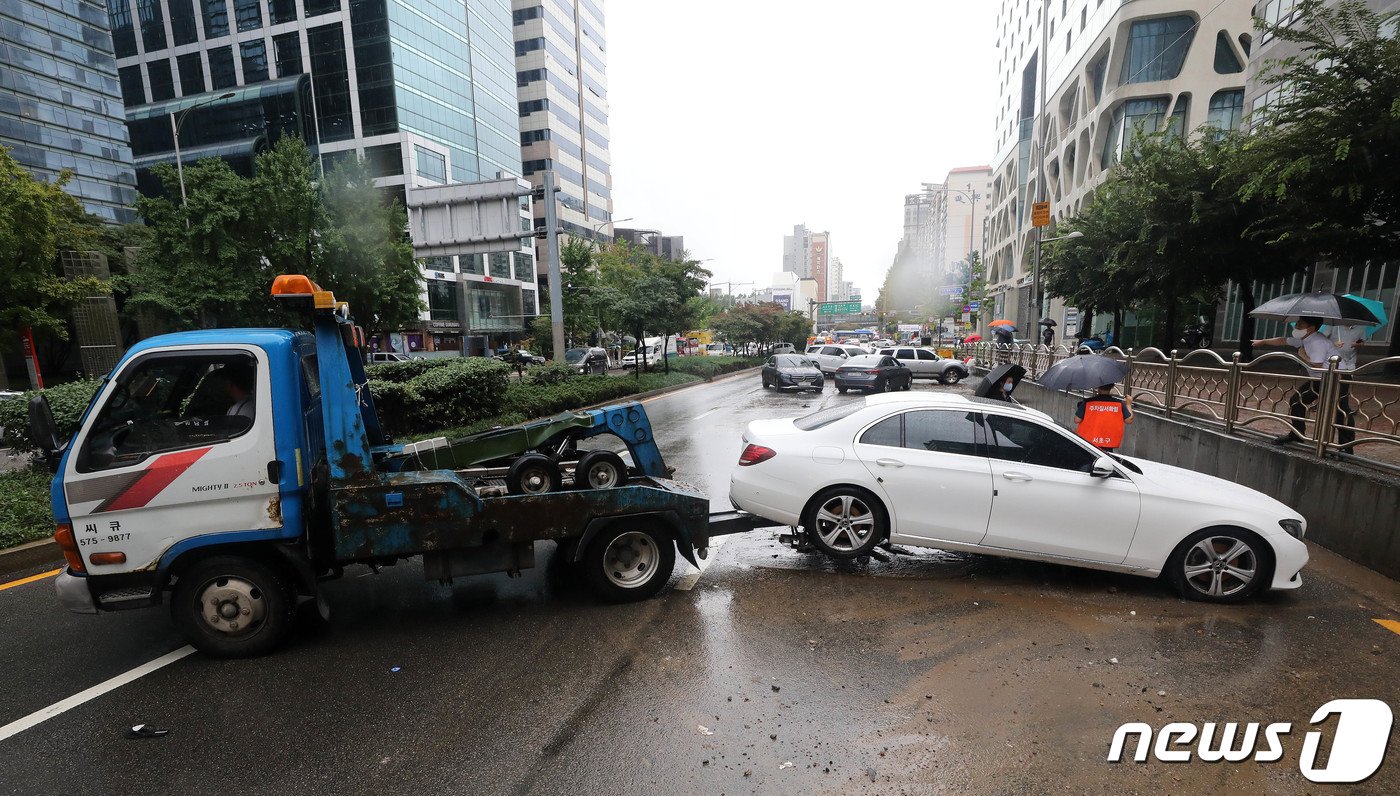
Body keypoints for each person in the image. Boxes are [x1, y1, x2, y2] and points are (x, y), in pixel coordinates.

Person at [1251, 316, 1356, 446]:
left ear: (1311, 328)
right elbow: (1283, 340)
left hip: (1337, 378)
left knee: (1340, 410)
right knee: (1297, 401)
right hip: (1321, 378)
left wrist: (1303, 356)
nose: (1296, 327)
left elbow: (1316, 365)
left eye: (1300, 325)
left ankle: (1346, 447)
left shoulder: (1317, 341)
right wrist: (1263, 342)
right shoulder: (1305, 338)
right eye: (1297, 324)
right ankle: (1297, 434)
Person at [1074, 384, 1134, 452]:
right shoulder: (1119, 404)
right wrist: (1128, 404)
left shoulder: (1088, 402)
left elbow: (1076, 420)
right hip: (1107, 444)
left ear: (1097, 386)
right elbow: (1129, 420)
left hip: (1088, 443)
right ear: (1112, 386)